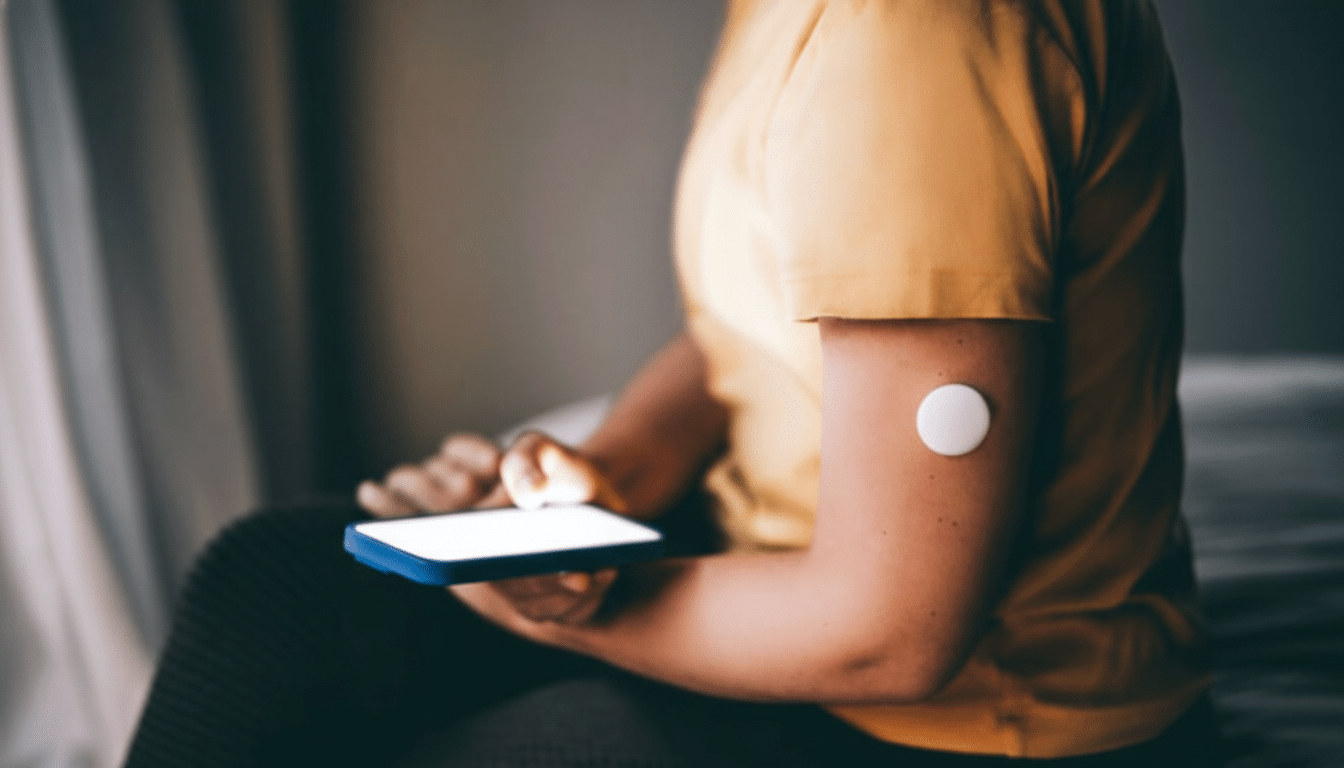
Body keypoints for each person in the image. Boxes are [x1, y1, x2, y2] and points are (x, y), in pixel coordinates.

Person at [123, 1, 1223, 765]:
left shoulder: (913, 39)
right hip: (780, 564)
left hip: (968, 720)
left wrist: (538, 610)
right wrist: (604, 480)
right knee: (261, 583)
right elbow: (739, 335)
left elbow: (896, 631)